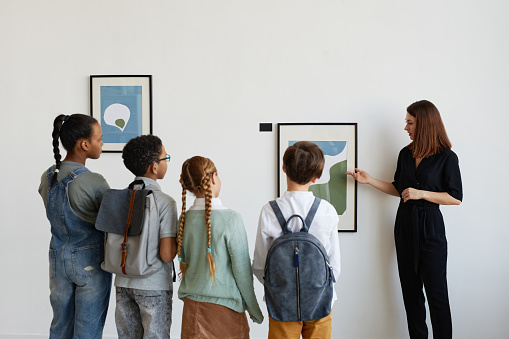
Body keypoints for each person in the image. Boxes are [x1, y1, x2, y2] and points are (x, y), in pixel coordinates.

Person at [347, 100, 462, 339]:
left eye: (410, 122)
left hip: (431, 230)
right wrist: (370, 180)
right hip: (405, 227)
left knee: (437, 296)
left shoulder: (447, 157)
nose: (405, 127)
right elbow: (400, 189)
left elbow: (455, 197)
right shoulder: (405, 154)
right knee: (411, 296)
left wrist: (423, 194)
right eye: (406, 122)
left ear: (425, 125)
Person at [252, 141, 341, 339]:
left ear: (283, 168)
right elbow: (334, 265)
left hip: (281, 304)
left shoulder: (269, 210)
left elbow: (260, 265)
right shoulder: (327, 210)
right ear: (316, 177)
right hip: (321, 302)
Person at [38, 114, 112, 338]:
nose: (102, 144)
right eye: (99, 139)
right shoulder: (94, 181)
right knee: (87, 330)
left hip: (57, 260)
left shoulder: (47, 176)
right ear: (85, 144)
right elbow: (111, 223)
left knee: (60, 327)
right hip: (89, 263)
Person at [177, 156, 264, 339]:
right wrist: (254, 310)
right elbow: (242, 272)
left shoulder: (184, 220)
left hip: (192, 309)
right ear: (214, 178)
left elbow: (183, 260)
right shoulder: (231, 219)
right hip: (225, 311)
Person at [114, 135, 178, 338]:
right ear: (154, 167)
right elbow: (167, 255)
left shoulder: (118, 197)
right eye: (164, 158)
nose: (166, 161)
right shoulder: (165, 202)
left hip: (123, 282)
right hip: (154, 284)